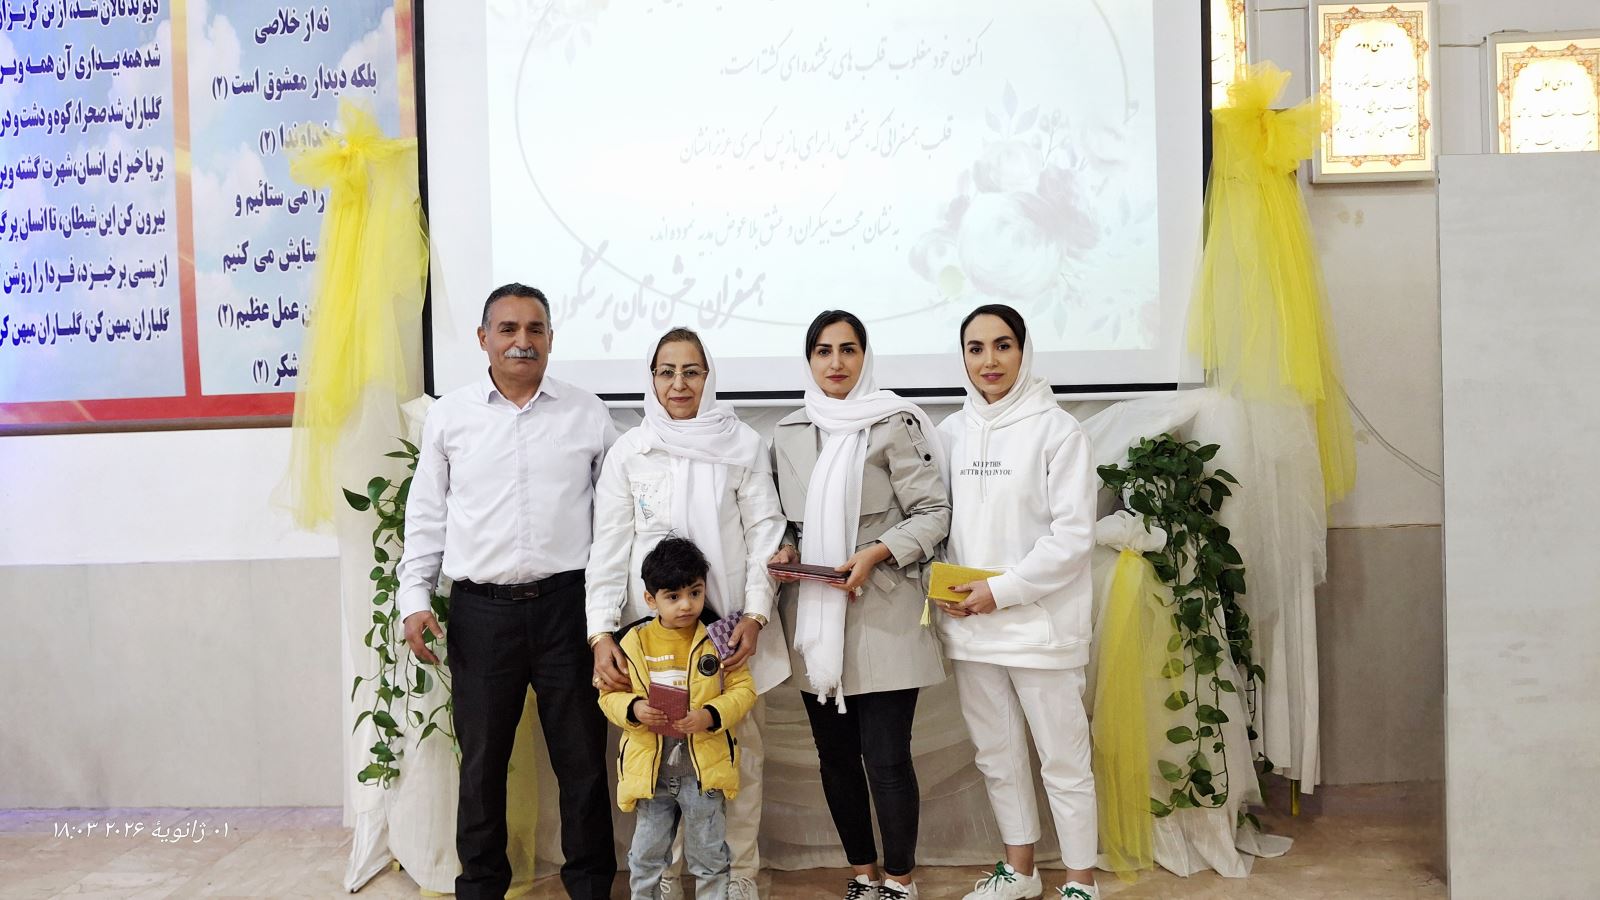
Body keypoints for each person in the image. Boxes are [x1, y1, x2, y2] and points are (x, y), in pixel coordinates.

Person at [395, 283, 618, 900]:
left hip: (567, 611)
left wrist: (610, 613)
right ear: (483, 338)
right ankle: (481, 886)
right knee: (482, 764)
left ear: (550, 338)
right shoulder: (451, 416)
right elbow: (426, 514)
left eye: (535, 329)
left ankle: (590, 885)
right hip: (481, 615)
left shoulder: (586, 413)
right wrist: (415, 599)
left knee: (581, 762)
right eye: (509, 329)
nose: (523, 341)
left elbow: (617, 518)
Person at [586, 327, 789, 900]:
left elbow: (765, 534)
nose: (679, 384)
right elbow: (609, 547)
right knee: (662, 755)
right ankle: (668, 876)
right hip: (654, 638)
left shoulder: (742, 444)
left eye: (691, 371)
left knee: (733, 756)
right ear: (651, 379)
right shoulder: (631, 451)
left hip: (728, 631)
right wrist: (601, 633)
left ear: (708, 377)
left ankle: (739, 872)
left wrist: (755, 615)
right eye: (667, 372)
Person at [768, 310, 950, 900]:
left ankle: (900, 879)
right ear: (809, 360)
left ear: (865, 357)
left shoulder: (894, 422)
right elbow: (782, 519)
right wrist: (786, 548)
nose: (836, 362)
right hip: (816, 614)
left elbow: (935, 514)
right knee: (836, 758)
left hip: (885, 606)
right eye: (823, 351)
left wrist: (876, 553)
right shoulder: (788, 432)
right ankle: (863, 873)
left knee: (887, 758)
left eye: (848, 349)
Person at [935, 304, 1099, 900]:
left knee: (1063, 760)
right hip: (971, 628)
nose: (990, 360)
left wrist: (1000, 592)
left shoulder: (1059, 430)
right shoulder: (948, 434)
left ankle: (1080, 881)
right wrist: (949, 590)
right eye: (975, 348)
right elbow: (938, 524)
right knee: (996, 756)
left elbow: (1072, 539)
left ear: (1024, 352)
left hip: (1042, 629)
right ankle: (1020, 871)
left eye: (1002, 345)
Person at [599, 536, 758, 900]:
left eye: (695, 592)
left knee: (710, 856)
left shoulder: (719, 635)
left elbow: (744, 690)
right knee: (645, 857)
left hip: (703, 773)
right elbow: (608, 696)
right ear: (650, 599)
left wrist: (710, 715)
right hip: (650, 774)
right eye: (673, 596)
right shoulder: (633, 641)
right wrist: (634, 709)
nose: (687, 605)